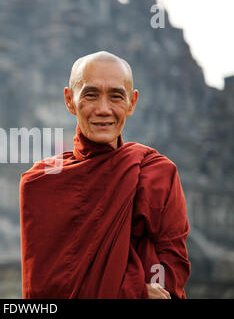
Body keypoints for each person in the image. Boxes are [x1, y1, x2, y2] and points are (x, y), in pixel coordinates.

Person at [19, 51, 190, 299]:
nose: (103, 109)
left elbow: (171, 271)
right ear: (69, 100)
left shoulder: (157, 174)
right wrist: (135, 293)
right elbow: (45, 290)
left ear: (132, 102)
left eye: (116, 96)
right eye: (90, 95)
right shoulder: (41, 183)